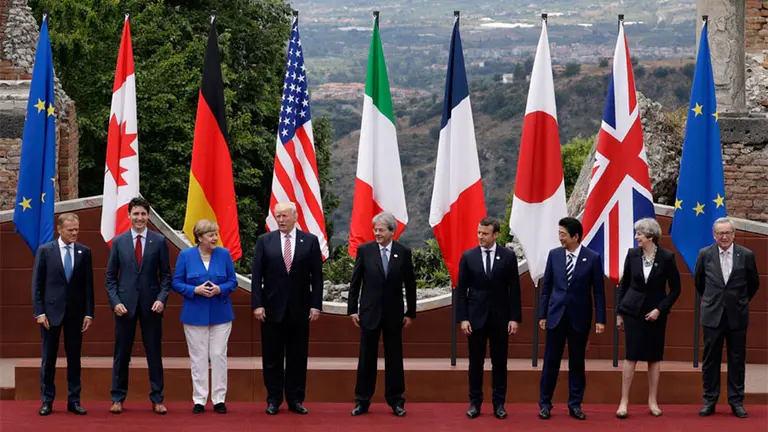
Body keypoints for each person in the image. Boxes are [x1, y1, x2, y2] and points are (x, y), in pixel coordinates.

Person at [251, 201, 323, 415]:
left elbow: (317, 277)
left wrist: (315, 305)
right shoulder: (265, 241)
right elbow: (257, 276)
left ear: (295, 217)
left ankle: (296, 399)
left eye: (284, 216)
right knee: (272, 356)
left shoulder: (310, 241)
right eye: (277, 216)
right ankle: (273, 399)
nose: (280, 220)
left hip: (300, 309)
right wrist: (258, 304)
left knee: (297, 357)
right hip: (271, 309)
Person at [105, 197, 171, 415]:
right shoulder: (119, 242)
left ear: (148, 216)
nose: (139, 218)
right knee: (121, 353)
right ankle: (117, 398)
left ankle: (157, 398)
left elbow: (166, 277)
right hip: (124, 307)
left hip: (152, 307)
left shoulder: (159, 241)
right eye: (136, 214)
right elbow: (110, 278)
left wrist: (161, 299)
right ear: (129, 216)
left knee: (154, 352)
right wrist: (115, 302)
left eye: (143, 214)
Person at [348, 212, 417, 417]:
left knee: (394, 358)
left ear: (391, 232)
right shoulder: (365, 250)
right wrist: (352, 309)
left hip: (394, 314)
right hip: (369, 313)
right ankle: (362, 401)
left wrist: (410, 312)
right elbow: (356, 282)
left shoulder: (403, 252)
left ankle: (396, 401)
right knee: (366, 358)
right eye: (375, 230)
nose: (377, 233)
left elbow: (410, 284)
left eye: (381, 230)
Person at [538, 217, 606, 421]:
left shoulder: (592, 257)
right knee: (551, 361)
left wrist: (600, 319)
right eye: (559, 233)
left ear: (575, 236)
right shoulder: (554, 255)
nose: (560, 237)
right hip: (555, 316)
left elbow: (599, 292)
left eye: (563, 234)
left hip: (579, 317)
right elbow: (547, 288)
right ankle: (544, 404)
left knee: (577, 362)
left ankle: (575, 404)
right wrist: (542, 314)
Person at [456, 217, 522, 420]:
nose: (480, 237)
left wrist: (514, 318)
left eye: (484, 233)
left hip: (500, 319)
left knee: (499, 363)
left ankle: (499, 404)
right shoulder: (468, 257)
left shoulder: (508, 257)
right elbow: (461, 291)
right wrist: (463, 318)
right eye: (478, 233)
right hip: (475, 319)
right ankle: (475, 403)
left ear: (495, 235)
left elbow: (515, 291)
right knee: (475, 363)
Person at [615, 218, 681, 418]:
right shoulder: (632, 255)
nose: (636, 238)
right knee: (631, 356)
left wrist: (660, 310)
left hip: (655, 314)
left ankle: (652, 401)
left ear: (650, 236)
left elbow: (676, 289)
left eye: (639, 234)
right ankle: (623, 402)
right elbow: (624, 284)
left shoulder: (667, 257)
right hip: (632, 312)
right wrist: (619, 313)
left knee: (653, 357)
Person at [695, 217, 759, 419]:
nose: (724, 237)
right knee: (711, 360)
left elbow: (753, 284)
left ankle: (736, 401)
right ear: (714, 235)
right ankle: (710, 400)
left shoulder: (746, 255)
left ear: (734, 234)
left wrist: (738, 301)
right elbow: (699, 283)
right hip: (712, 315)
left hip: (737, 316)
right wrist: (715, 300)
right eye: (720, 233)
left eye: (728, 233)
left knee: (737, 360)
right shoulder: (705, 254)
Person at [172, 219, 237, 414]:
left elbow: (232, 281)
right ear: (200, 238)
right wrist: (195, 290)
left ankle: (219, 399)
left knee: (218, 355)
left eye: (216, 234)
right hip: (194, 314)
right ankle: (199, 399)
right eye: (211, 235)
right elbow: (176, 282)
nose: (215, 238)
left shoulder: (224, 255)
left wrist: (220, 288)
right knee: (198, 357)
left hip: (221, 314)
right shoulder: (186, 255)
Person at [32, 213, 94, 416]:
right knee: (48, 358)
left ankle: (74, 400)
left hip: (75, 315)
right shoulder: (45, 251)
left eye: (77, 229)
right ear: (60, 229)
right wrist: (39, 312)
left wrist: (88, 313)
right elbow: (37, 285)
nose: (75, 233)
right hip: (50, 314)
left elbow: (88, 286)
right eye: (70, 230)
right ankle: (47, 400)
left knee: (74, 358)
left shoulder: (84, 252)